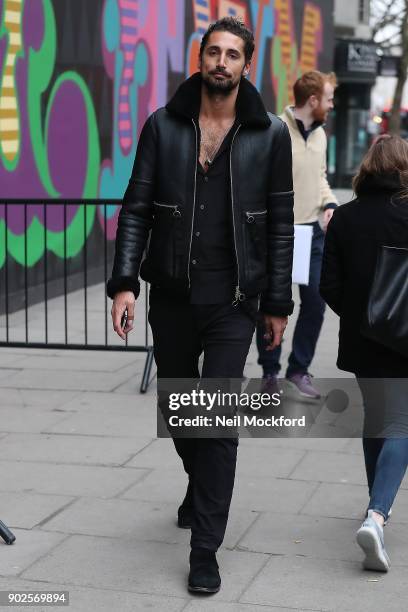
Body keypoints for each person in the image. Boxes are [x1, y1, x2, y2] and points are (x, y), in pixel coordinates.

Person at [107, 17, 294, 594]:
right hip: (173, 296)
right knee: (183, 416)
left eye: (233, 54)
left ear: (247, 64)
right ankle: (200, 486)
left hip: (235, 301)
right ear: (200, 57)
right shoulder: (163, 127)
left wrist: (277, 302)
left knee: (215, 424)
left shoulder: (270, 134)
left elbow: (281, 224)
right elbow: (136, 207)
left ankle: (204, 549)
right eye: (213, 51)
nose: (221, 62)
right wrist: (123, 283)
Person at [320, 134, 408, 572]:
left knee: (377, 419)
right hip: (404, 338)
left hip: (360, 341)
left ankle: (376, 507)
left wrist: (360, 316)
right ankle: (377, 515)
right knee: (400, 424)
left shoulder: (346, 218)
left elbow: (328, 287)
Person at [257, 71, 338, 399]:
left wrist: (329, 202)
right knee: (272, 305)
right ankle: (269, 373)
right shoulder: (274, 129)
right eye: (329, 99)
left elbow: (319, 177)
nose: (332, 105)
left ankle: (298, 369)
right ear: (314, 100)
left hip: (312, 234)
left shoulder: (321, 136)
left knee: (316, 304)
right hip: (277, 233)